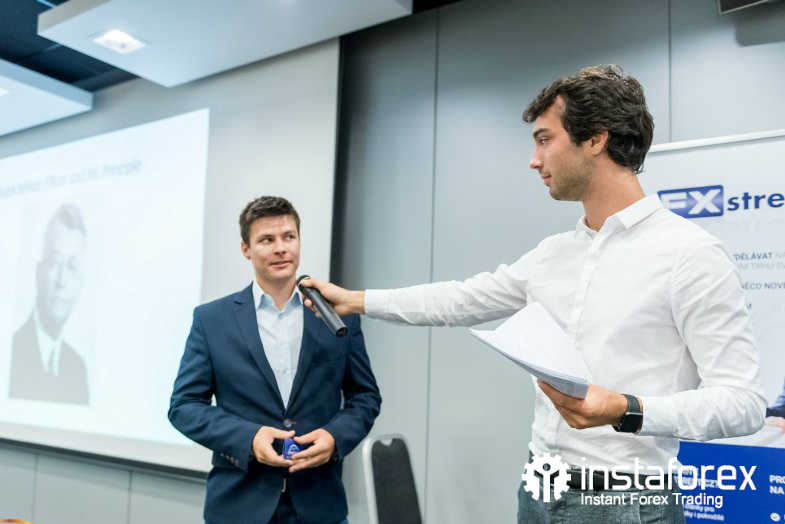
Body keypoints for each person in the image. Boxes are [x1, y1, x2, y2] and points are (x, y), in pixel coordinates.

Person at [301, 66, 766, 523]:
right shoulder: (554, 253)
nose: (534, 160)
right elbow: (461, 300)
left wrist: (626, 409)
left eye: (545, 140)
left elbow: (742, 403)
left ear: (595, 138)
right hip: (538, 489)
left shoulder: (690, 254)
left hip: (627, 503)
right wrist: (354, 300)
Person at [169, 196, 381, 524]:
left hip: (320, 505)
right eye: (267, 240)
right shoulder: (211, 320)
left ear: (299, 241)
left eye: (289, 237)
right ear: (246, 249)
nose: (281, 248)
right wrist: (249, 438)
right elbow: (184, 406)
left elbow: (365, 396)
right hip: (239, 507)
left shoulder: (338, 315)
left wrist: (335, 437)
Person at [9, 203, 89, 405]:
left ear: (81, 284)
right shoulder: (10, 351)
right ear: (38, 272)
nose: (62, 280)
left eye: (72, 267)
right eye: (54, 263)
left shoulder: (78, 368)